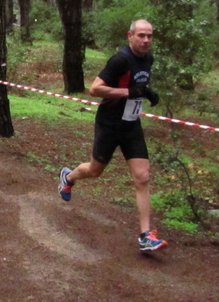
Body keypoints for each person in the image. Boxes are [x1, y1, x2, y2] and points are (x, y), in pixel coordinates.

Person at [57, 19, 167, 253]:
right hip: (109, 123)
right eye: (141, 35)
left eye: (149, 36)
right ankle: (68, 178)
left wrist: (146, 92)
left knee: (143, 177)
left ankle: (146, 236)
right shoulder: (120, 59)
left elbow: (138, 83)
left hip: (131, 124)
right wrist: (129, 92)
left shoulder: (148, 59)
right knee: (95, 171)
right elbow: (95, 89)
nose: (146, 40)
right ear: (130, 36)